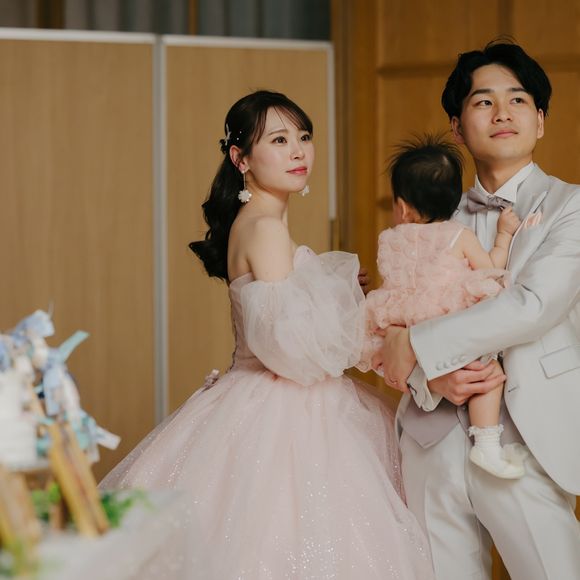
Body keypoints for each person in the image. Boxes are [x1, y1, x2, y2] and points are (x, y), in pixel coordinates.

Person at [100, 90, 434, 579]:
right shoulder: (265, 229)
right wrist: (359, 315)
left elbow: (280, 315)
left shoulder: (257, 222)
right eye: (279, 140)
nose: (299, 151)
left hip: (254, 399)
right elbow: (288, 351)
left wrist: (335, 291)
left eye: (304, 137)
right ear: (241, 159)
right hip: (288, 410)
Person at [379, 41, 580, 580]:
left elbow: (532, 306)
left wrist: (418, 346)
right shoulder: (430, 212)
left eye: (518, 100)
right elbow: (400, 309)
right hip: (431, 435)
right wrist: (427, 375)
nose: (502, 113)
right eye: (483, 101)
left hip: (525, 438)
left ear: (540, 121)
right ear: (456, 126)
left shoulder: (571, 205)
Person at [358, 134, 525, 479]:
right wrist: (504, 235)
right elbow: (490, 268)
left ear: (402, 207)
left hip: (406, 325)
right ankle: (486, 443)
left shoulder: (391, 238)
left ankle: (424, 383)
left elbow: (395, 282)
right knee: (488, 374)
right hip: (447, 322)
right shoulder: (458, 235)